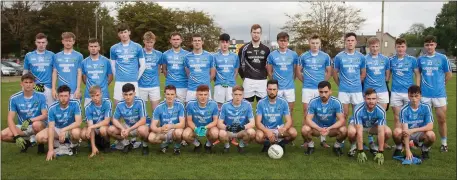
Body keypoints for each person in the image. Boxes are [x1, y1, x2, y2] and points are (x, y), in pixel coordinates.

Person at [417, 35, 452, 152]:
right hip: (425, 95)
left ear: (435, 45)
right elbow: (418, 74)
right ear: (424, 46)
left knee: (441, 119)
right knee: (424, 120)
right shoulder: (421, 59)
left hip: (439, 95)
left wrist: (441, 85)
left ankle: (444, 143)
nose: (429, 47)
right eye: (427, 45)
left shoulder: (442, 58)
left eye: (431, 44)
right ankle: (424, 140)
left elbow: (449, 74)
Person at [297, 34, 332, 148]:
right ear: (309, 43)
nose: (315, 45)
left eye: (317, 43)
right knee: (307, 113)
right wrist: (305, 81)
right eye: (313, 43)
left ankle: (323, 140)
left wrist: (323, 86)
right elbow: (298, 71)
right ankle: (307, 140)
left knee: (322, 113)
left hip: (320, 90)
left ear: (320, 44)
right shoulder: (303, 56)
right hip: (307, 89)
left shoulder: (325, 56)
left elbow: (329, 72)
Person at [1, 73, 47, 153]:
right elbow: (10, 119)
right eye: (26, 82)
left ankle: (40, 145)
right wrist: (16, 136)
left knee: (36, 125)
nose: (28, 85)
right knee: (2, 135)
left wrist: (30, 120)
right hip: (22, 127)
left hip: (36, 125)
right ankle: (26, 143)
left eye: (30, 82)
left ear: (34, 84)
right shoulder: (14, 98)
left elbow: (44, 115)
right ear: (21, 84)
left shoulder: (41, 96)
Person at [36, 85, 82, 161]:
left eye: (66, 96)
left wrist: (64, 130)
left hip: (70, 129)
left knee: (76, 132)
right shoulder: (52, 108)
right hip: (57, 130)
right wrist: (50, 150)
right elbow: (51, 128)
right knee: (39, 137)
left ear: (70, 96)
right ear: (57, 96)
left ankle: (73, 146)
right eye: (61, 96)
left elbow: (78, 122)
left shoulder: (75, 103)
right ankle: (60, 145)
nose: (63, 98)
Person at [347, 88, 392, 164]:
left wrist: (381, 151)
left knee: (388, 132)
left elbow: (381, 131)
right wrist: (360, 151)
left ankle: (376, 146)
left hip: (372, 126)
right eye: (368, 99)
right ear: (364, 98)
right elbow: (359, 131)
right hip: (359, 125)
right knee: (352, 132)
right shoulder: (358, 109)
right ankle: (354, 145)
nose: (371, 101)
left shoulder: (381, 110)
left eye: (373, 98)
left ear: (377, 99)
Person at [301, 81, 346, 156]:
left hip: (331, 129)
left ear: (330, 91)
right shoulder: (313, 102)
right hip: (317, 129)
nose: (323, 94)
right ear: (318, 91)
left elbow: (342, 120)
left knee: (344, 130)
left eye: (326, 92)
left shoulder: (336, 102)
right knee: (304, 129)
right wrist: (319, 128)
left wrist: (329, 128)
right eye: (321, 92)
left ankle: (336, 147)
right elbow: (308, 119)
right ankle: (311, 146)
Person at [392, 85, 435, 160]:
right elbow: (405, 131)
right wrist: (407, 150)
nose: (414, 99)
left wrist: (413, 130)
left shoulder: (426, 107)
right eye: (411, 96)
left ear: (420, 96)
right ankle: (399, 148)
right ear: (408, 96)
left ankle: (424, 149)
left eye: (416, 96)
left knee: (431, 135)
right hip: (408, 133)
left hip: (420, 133)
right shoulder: (404, 110)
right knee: (396, 132)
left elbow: (430, 126)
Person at [255, 79, 297, 152]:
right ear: (266, 90)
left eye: (274, 89)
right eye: (270, 89)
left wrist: (284, 128)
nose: (272, 92)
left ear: (277, 90)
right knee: (258, 137)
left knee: (293, 133)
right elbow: (258, 123)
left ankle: (281, 143)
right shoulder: (261, 103)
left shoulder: (283, 102)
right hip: (266, 129)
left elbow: (289, 120)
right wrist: (267, 131)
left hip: (279, 129)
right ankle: (267, 144)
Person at [107, 83, 150, 155]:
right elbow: (114, 119)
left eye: (130, 94)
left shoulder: (140, 102)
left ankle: (145, 146)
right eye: (126, 94)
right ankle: (126, 143)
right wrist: (122, 129)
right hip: (127, 126)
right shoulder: (120, 104)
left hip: (139, 126)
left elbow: (143, 120)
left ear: (134, 93)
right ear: (122, 95)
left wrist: (128, 130)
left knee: (142, 130)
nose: (128, 97)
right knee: (110, 129)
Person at [333, 32, 366, 120]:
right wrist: (339, 84)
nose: (350, 42)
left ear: (356, 42)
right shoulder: (339, 57)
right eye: (348, 40)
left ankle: (355, 132)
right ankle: (343, 132)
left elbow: (363, 72)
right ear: (345, 42)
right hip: (344, 90)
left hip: (357, 90)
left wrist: (358, 82)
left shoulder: (361, 57)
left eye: (352, 40)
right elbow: (334, 72)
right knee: (344, 114)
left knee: (357, 114)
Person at [110, 23, 146, 104]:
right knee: (117, 105)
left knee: (134, 106)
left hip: (133, 81)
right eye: (121, 33)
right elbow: (112, 65)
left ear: (129, 32)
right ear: (118, 34)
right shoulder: (113, 48)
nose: (123, 34)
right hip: (119, 81)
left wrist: (136, 77)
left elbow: (143, 65)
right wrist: (118, 77)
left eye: (125, 32)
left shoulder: (138, 47)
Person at [389, 38, 420, 129]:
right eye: (398, 47)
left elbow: (417, 74)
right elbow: (387, 74)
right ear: (395, 47)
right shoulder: (391, 60)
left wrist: (417, 88)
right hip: (396, 92)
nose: (400, 49)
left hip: (409, 93)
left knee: (410, 117)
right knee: (397, 117)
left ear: (406, 47)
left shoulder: (412, 59)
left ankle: (410, 139)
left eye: (402, 46)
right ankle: (399, 141)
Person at [148, 85, 186, 155]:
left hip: (175, 129)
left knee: (178, 133)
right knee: (151, 138)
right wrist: (160, 129)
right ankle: (164, 145)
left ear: (175, 95)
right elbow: (152, 126)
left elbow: (182, 124)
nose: (170, 96)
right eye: (168, 94)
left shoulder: (180, 105)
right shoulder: (159, 107)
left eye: (172, 94)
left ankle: (177, 147)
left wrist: (171, 126)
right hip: (164, 131)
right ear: (164, 94)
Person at [266, 32, 298, 114]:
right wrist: (274, 83)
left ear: (288, 42)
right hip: (277, 88)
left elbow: (295, 71)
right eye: (281, 40)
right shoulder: (272, 55)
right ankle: (276, 127)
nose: (283, 42)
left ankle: (289, 126)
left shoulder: (293, 55)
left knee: (290, 111)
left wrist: (290, 81)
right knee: (276, 111)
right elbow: (269, 71)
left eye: (285, 41)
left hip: (289, 87)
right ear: (277, 41)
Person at [217, 85, 256, 153]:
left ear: (243, 95)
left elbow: (253, 123)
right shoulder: (225, 105)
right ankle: (227, 146)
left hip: (241, 131)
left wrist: (242, 127)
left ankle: (240, 145)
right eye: (235, 94)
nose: (238, 97)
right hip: (229, 131)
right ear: (232, 94)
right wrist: (227, 127)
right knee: (221, 133)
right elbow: (219, 123)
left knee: (252, 132)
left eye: (240, 95)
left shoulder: (247, 105)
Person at [238, 24, 271, 103]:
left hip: (262, 81)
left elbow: (269, 65)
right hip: (248, 81)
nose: (256, 35)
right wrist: (244, 77)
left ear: (261, 34)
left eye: (258, 33)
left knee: (263, 107)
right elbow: (240, 64)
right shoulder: (244, 48)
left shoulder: (266, 49)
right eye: (254, 32)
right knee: (247, 107)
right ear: (251, 33)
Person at [182, 85, 219, 153]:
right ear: (196, 94)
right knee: (185, 135)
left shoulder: (214, 104)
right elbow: (189, 121)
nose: (203, 97)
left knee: (215, 133)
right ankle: (197, 144)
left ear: (208, 95)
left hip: (208, 128)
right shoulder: (190, 104)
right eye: (200, 94)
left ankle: (208, 145)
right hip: (195, 128)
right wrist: (196, 129)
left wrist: (205, 127)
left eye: (205, 94)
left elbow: (215, 121)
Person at [23, 33, 56, 106]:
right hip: (34, 86)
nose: (41, 44)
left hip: (48, 87)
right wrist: (24, 86)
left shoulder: (52, 55)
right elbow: (25, 72)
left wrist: (53, 88)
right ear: (35, 43)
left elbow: (55, 72)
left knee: (49, 110)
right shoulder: (29, 55)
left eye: (43, 42)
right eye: (39, 42)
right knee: (35, 109)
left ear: (46, 43)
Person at [80, 86, 112, 157]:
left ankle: (106, 144)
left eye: (97, 95)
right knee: (83, 134)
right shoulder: (88, 107)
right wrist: (93, 146)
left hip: (104, 127)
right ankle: (94, 145)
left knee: (102, 129)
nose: (95, 98)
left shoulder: (107, 102)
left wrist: (91, 127)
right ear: (90, 96)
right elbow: (90, 125)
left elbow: (106, 121)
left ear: (101, 94)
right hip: (94, 129)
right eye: (92, 96)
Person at [184, 34, 216, 102]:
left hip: (206, 89)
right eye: (195, 40)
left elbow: (213, 74)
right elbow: (188, 73)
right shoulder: (187, 57)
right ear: (192, 42)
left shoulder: (210, 56)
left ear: (202, 42)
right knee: (190, 110)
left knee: (207, 111)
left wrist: (205, 82)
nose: (197, 42)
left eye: (199, 40)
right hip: (192, 89)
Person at [81, 38, 113, 107]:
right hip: (89, 94)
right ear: (88, 48)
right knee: (89, 116)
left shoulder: (106, 61)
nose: (93, 48)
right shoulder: (84, 62)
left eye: (95, 46)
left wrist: (104, 86)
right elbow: (84, 78)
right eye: (91, 46)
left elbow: (110, 76)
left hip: (103, 94)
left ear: (99, 48)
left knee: (105, 116)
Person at [52, 32, 83, 100]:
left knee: (75, 110)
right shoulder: (56, 56)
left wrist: (78, 89)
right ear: (62, 41)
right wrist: (53, 89)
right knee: (60, 110)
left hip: (74, 91)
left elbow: (79, 73)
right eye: (66, 41)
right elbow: (54, 73)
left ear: (73, 42)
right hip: (61, 91)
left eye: (70, 41)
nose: (68, 43)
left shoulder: (79, 56)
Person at [138, 31, 163, 113]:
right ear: (144, 41)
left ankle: (155, 125)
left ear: (154, 41)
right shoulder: (139, 53)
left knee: (156, 111)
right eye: (147, 42)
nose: (149, 44)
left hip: (154, 86)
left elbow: (159, 69)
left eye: (151, 42)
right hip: (141, 85)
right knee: (142, 111)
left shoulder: (159, 54)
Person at [213, 33, 240, 110]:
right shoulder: (214, 56)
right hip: (219, 85)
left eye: (226, 42)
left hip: (231, 86)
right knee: (218, 107)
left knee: (231, 106)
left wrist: (231, 81)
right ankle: (218, 122)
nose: (224, 44)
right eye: (222, 42)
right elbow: (213, 72)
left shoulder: (235, 56)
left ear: (229, 43)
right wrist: (219, 80)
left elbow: (236, 72)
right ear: (219, 43)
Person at [161, 32, 190, 102]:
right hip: (170, 85)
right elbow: (164, 70)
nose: (176, 41)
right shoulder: (165, 54)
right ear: (170, 41)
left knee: (184, 108)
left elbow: (189, 71)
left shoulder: (187, 54)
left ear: (181, 40)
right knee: (169, 107)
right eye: (173, 39)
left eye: (177, 39)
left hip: (183, 85)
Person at [363, 37, 390, 110]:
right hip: (368, 90)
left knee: (382, 115)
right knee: (368, 116)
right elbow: (362, 74)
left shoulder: (385, 59)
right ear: (369, 47)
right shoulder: (364, 59)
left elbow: (388, 74)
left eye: (376, 46)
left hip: (382, 91)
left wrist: (384, 82)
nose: (375, 49)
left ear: (379, 46)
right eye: (373, 46)